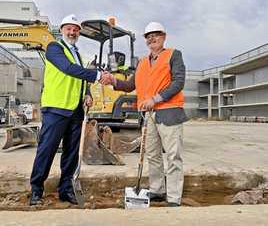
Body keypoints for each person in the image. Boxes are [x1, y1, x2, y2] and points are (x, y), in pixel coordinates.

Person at [102, 22, 188, 207]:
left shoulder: (173, 55)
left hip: (169, 112)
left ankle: (173, 197)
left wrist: (156, 99)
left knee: (173, 156)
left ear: (163, 36)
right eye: (149, 36)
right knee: (153, 155)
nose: (152, 39)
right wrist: (113, 81)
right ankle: (158, 189)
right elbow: (130, 85)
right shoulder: (141, 62)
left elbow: (178, 82)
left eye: (156, 35)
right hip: (148, 115)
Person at [30, 14, 107, 206]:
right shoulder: (55, 48)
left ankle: (66, 190)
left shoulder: (78, 54)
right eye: (69, 29)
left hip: (75, 111)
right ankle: (36, 190)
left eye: (75, 29)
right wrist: (96, 74)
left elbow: (78, 77)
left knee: (71, 154)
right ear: (62, 30)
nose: (72, 32)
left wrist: (87, 93)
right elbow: (67, 68)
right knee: (46, 150)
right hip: (56, 108)